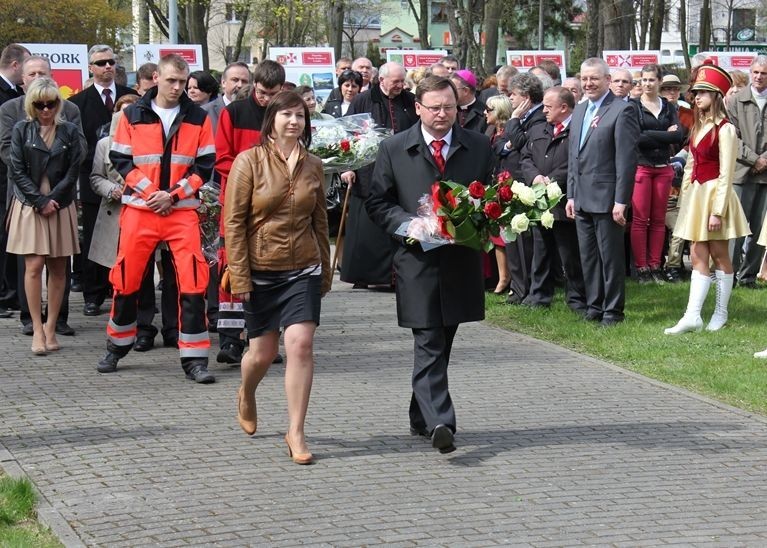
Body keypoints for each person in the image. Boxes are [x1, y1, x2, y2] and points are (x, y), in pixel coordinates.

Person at [366, 76, 494, 454]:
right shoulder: (394, 148)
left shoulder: (478, 145)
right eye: (434, 107)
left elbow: (491, 195)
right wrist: (409, 224)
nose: (442, 114)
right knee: (428, 340)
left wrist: (481, 217)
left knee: (443, 339)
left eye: (449, 107)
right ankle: (441, 421)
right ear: (418, 108)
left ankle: (420, 415)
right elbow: (378, 202)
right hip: (416, 260)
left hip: (459, 260)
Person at [224, 91, 331, 465]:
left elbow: (320, 221)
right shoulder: (248, 161)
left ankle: (296, 431)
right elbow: (233, 223)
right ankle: (246, 391)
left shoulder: (314, 165)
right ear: (271, 120)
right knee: (262, 354)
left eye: (300, 115)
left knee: (300, 344)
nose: (294, 121)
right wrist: (240, 276)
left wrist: (325, 270)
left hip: (303, 268)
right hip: (259, 269)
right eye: (286, 114)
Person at [98, 54, 216, 382]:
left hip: (181, 212)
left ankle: (195, 359)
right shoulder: (131, 114)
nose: (177, 87)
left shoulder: (199, 117)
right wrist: (153, 194)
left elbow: (204, 165)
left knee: (193, 282)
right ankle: (116, 346)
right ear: (156, 79)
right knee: (126, 279)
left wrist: (172, 196)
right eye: (171, 81)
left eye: (183, 82)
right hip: (141, 210)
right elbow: (120, 159)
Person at [0, 55, 85, 338]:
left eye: (43, 73)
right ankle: (32, 322)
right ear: (23, 80)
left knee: (59, 265)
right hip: (28, 198)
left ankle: (56, 323)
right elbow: (9, 154)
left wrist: (55, 197)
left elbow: (78, 156)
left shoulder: (70, 113)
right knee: (32, 264)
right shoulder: (12, 113)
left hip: (60, 199)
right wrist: (38, 198)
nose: (46, 109)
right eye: (32, 73)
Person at [665, 62, 749, 334]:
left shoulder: (725, 128)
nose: (696, 96)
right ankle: (692, 316)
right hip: (698, 196)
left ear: (716, 96)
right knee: (698, 252)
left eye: (702, 92)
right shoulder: (698, 126)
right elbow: (691, 164)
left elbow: (727, 172)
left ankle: (721, 313)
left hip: (715, 196)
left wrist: (717, 210)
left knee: (720, 254)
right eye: (696, 92)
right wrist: (686, 199)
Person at [214, 59, 285, 366]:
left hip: (275, 205)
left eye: (273, 94)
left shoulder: (286, 115)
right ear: (254, 85)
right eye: (261, 93)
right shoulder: (234, 112)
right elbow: (221, 158)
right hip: (238, 201)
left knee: (272, 270)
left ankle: (266, 340)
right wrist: (254, 178)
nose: (266, 99)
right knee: (232, 269)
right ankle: (230, 341)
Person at [565, 58, 640, 326]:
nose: (588, 83)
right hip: (582, 198)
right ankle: (594, 306)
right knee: (588, 258)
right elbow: (574, 156)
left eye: (594, 78)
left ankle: (612, 311)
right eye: (584, 78)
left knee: (610, 259)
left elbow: (626, 160)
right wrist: (571, 194)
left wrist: (621, 200)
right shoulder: (579, 110)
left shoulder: (622, 110)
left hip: (607, 199)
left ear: (607, 80)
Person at [68, 45, 138, 318]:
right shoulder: (78, 102)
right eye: (101, 63)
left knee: (129, 242)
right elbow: (76, 143)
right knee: (94, 241)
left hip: (132, 180)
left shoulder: (131, 97)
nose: (107, 66)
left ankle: (126, 292)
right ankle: (93, 295)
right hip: (93, 177)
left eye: (111, 61)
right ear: (91, 68)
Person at [341, 62, 418, 290]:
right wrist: (347, 168)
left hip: (402, 171)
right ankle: (365, 276)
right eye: (396, 81)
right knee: (367, 228)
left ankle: (395, 276)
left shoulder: (410, 101)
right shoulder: (362, 100)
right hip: (368, 171)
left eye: (402, 81)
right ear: (381, 80)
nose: (400, 86)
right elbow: (347, 135)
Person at [520, 86, 587, 311]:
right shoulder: (539, 129)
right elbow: (526, 157)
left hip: (564, 201)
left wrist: (552, 179)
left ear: (564, 107)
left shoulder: (578, 130)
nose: (544, 110)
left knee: (569, 254)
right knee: (541, 251)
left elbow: (577, 162)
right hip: (540, 202)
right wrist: (534, 177)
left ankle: (577, 299)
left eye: (549, 106)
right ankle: (538, 297)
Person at [629, 64, 683, 284]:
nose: (647, 84)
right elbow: (635, 137)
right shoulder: (633, 106)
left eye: (652, 80)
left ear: (659, 81)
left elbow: (678, 136)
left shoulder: (668, 106)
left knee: (659, 220)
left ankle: (655, 265)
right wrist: (663, 134)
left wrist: (650, 134)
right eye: (644, 80)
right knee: (640, 220)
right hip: (641, 167)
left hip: (663, 168)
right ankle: (642, 268)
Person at [499, 72, 547, 305]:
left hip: (525, 183)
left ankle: (524, 288)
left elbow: (519, 143)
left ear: (526, 96)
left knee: (524, 241)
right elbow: (501, 145)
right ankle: (518, 289)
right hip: (511, 182)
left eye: (514, 94)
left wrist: (513, 120)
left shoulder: (538, 118)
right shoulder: (523, 118)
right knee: (513, 238)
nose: (510, 98)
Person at [727, 56, 767, 288]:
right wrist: (754, 160)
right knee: (737, 228)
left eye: (764, 73)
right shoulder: (736, 100)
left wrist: (764, 160)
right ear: (750, 73)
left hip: (766, 175)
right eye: (756, 72)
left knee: (761, 230)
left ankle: (749, 276)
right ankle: (729, 275)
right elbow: (732, 137)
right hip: (742, 173)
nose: (759, 77)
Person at [0, 43, 30, 319]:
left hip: (13, 179)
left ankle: (9, 294)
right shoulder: (7, 98)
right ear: (15, 65)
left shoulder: (15, 93)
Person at [484, 94, 514, 294]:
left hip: (507, 184)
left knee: (506, 234)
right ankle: (502, 277)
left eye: (489, 110)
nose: (485, 113)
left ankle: (508, 278)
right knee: (496, 234)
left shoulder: (509, 131)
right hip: (493, 184)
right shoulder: (490, 131)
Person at [203, 62, 251, 133]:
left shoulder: (255, 112)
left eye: (244, 81)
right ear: (223, 83)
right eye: (235, 80)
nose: (240, 85)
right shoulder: (205, 112)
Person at [451, 69, 486, 133]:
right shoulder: (448, 110)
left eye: (453, 89)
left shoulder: (485, 113)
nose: (450, 92)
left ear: (466, 91)